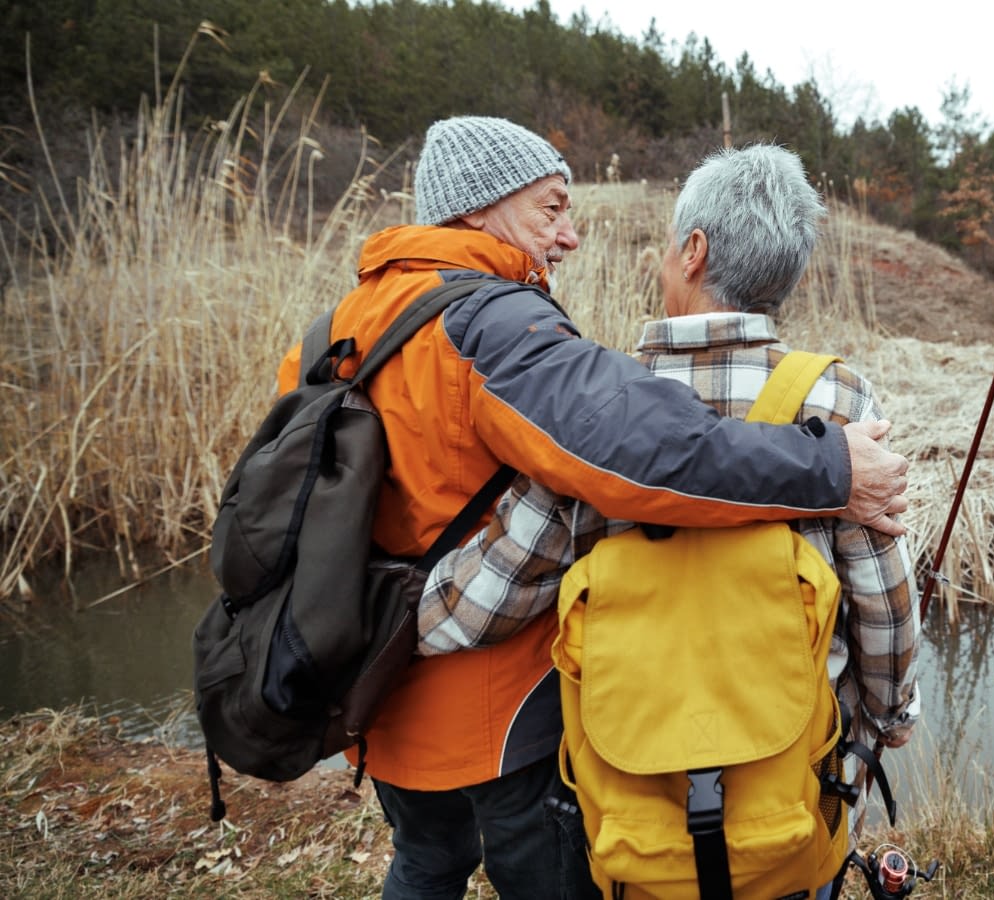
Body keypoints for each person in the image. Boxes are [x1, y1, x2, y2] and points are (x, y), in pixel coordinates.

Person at [272, 117, 911, 900]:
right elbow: (876, 593)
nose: (570, 236)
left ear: (694, 252)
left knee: (426, 862)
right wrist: (881, 716)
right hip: (556, 731)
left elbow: (507, 571)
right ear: (477, 208)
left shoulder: (334, 329)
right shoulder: (511, 332)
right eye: (551, 209)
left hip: (524, 731)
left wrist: (369, 638)